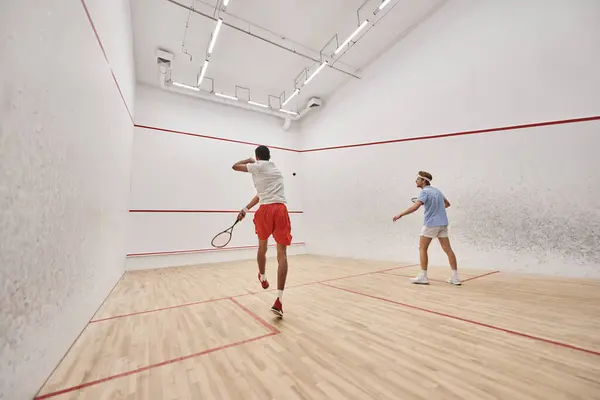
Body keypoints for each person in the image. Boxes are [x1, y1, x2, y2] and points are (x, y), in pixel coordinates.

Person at [232, 145, 291, 317]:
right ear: (269, 156)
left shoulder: (256, 166)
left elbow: (235, 166)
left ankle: (263, 276)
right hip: (280, 210)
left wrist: (248, 161)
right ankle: (279, 300)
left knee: (262, 248)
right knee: (282, 255)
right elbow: (261, 194)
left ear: (257, 157)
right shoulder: (276, 171)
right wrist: (246, 208)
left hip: (265, 211)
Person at [393, 171, 460, 285]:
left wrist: (401, 214)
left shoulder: (424, 192)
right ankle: (455, 277)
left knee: (422, 248)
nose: (416, 181)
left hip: (431, 224)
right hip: (443, 224)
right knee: (448, 250)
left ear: (424, 181)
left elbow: (415, 207)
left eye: (418, 179)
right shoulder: (437, 191)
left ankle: (423, 276)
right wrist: (436, 208)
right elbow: (447, 204)